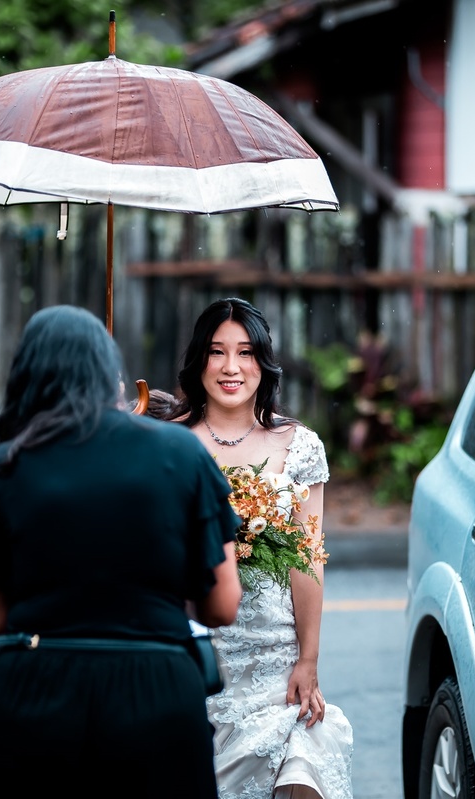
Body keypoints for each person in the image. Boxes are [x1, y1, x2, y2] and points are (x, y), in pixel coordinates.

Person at [0, 305, 243, 798]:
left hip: (35, 696)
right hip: (156, 694)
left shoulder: (3, 467)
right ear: (107, 373)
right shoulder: (181, 454)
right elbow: (222, 606)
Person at [172, 297, 354, 799]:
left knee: (303, 775)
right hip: (192, 649)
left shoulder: (298, 446)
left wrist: (309, 658)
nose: (231, 367)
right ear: (198, 361)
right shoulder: (167, 442)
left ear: (264, 362)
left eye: (246, 353)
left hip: (275, 661)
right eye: (217, 352)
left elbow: (308, 557)